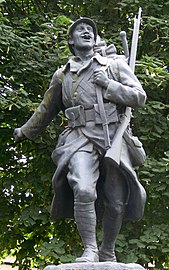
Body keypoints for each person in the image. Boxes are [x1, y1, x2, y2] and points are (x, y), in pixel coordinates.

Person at [14, 17, 147, 263]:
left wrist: (109, 85)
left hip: (111, 135)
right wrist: (25, 130)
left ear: (95, 39)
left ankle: (108, 250)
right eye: (80, 30)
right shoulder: (62, 74)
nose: (86, 32)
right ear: (70, 41)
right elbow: (46, 108)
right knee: (83, 189)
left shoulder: (114, 66)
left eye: (90, 30)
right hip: (77, 136)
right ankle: (90, 249)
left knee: (116, 201)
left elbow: (139, 96)